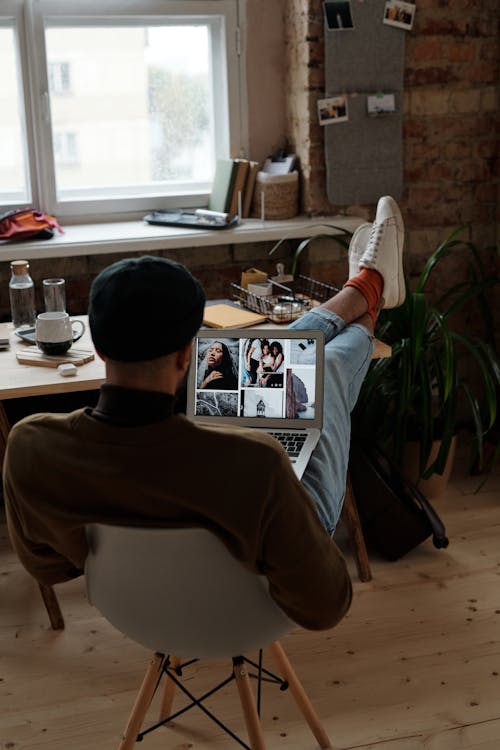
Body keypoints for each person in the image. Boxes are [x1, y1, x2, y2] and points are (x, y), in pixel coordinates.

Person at [3, 195, 405, 631]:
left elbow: (48, 567)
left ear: (99, 350)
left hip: (133, 611)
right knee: (320, 374)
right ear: (188, 354)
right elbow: (325, 605)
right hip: (252, 610)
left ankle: (366, 287)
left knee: (285, 358)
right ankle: (370, 293)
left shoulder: (31, 446)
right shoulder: (258, 461)